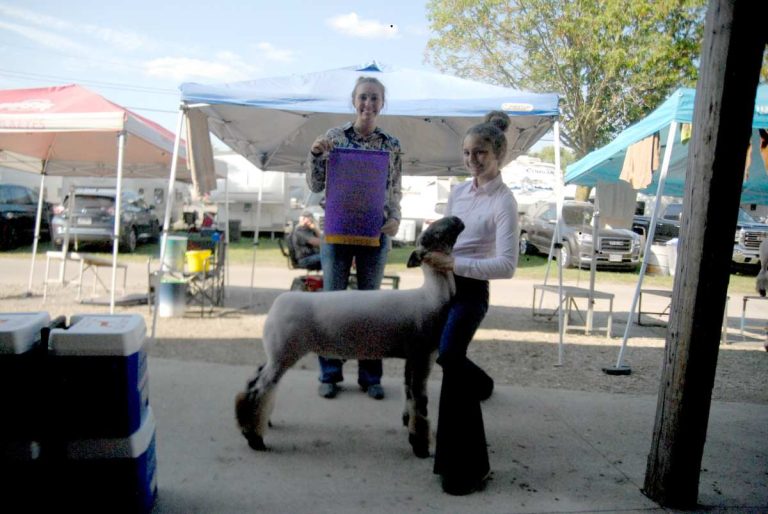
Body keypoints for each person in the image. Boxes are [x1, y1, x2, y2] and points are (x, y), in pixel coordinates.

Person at [424, 111, 519, 495]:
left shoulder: (505, 201)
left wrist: (457, 263)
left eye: (479, 152)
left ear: (498, 154)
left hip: (471, 291)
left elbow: (508, 265)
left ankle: (467, 467)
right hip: (442, 284)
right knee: (447, 356)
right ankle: (481, 382)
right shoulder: (458, 192)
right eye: (466, 153)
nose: (472, 160)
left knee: (448, 357)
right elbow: (447, 235)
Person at [307, 76, 403, 400]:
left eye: (374, 98)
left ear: (382, 103)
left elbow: (395, 189)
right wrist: (315, 154)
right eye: (363, 97)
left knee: (370, 309)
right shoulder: (333, 137)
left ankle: (370, 376)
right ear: (353, 100)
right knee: (333, 307)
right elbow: (315, 185)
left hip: (374, 235)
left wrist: (395, 219)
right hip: (336, 233)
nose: (368, 104)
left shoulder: (391, 144)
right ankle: (330, 374)